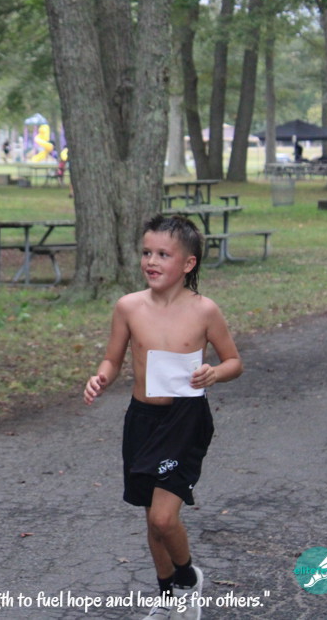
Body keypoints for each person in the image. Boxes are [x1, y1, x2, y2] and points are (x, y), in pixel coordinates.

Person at [83, 214, 243, 620]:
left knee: (163, 516)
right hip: (142, 420)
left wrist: (214, 373)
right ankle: (169, 596)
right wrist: (100, 378)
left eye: (163, 255)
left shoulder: (205, 311)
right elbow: (112, 359)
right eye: (146, 252)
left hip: (186, 420)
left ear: (188, 263)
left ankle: (188, 578)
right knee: (151, 519)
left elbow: (234, 362)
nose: (151, 261)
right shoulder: (128, 307)